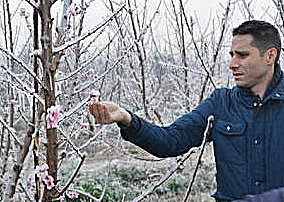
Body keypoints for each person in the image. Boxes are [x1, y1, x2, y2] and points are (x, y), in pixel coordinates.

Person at [89, 20, 284, 201]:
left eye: (242, 55)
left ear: (270, 56)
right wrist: (127, 118)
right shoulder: (221, 104)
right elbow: (169, 141)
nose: (232, 64)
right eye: (232, 55)